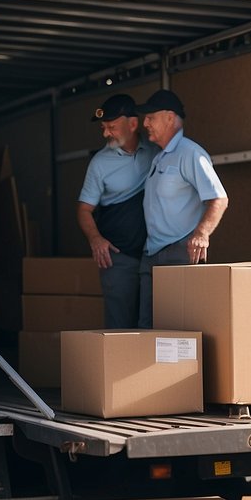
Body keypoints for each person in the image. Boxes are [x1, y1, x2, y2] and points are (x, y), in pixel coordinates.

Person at [136, 88, 229, 328]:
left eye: (150, 117)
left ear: (169, 118)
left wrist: (201, 233)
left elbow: (219, 198)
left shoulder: (190, 153)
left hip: (179, 255)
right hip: (153, 255)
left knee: (177, 331)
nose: (145, 123)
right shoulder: (160, 157)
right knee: (147, 329)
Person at [76, 93, 159, 328]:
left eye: (111, 127)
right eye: (103, 127)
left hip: (154, 253)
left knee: (154, 324)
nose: (105, 134)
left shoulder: (157, 152)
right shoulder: (99, 163)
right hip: (118, 257)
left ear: (133, 124)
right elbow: (83, 209)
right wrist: (96, 239)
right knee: (119, 326)